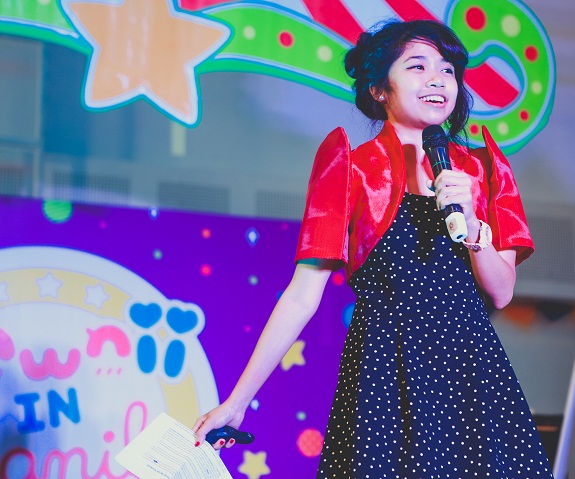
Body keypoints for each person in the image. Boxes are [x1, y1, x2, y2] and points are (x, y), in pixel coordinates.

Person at [193, 19, 554, 478]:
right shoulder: (352, 167)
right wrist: (237, 402)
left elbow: (501, 293)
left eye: (447, 70)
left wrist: (473, 225)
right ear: (379, 88)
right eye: (417, 66)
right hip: (388, 367)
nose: (437, 80)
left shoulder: (482, 169)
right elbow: (302, 296)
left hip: (470, 368)